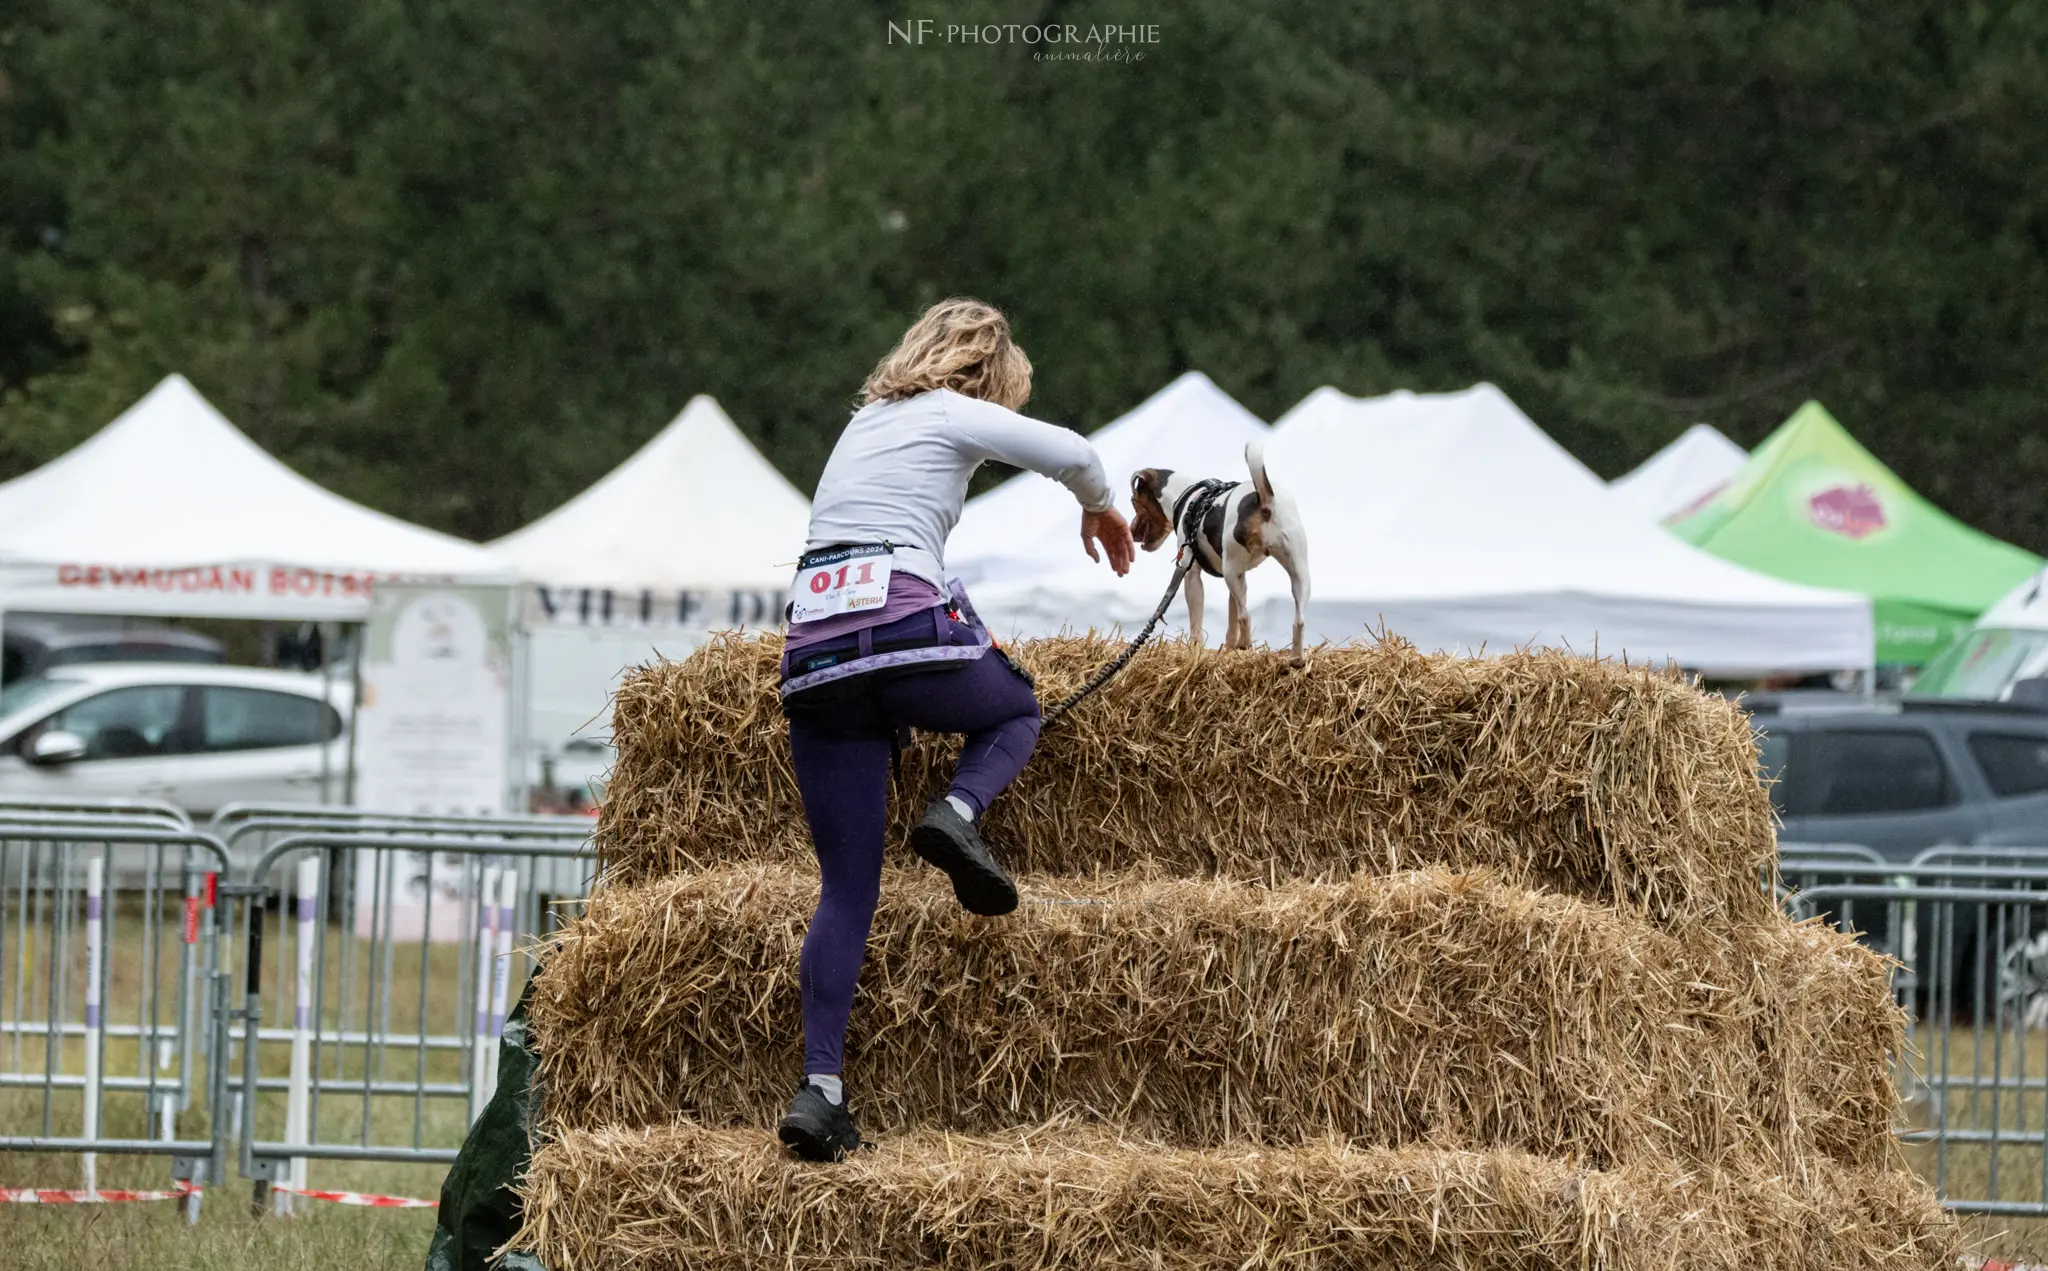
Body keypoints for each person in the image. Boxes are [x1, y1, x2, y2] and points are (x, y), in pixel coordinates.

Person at [773, 297, 1135, 1161]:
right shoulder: (952, 411)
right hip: (898, 629)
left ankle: (820, 1087)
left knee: (845, 891)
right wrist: (1100, 505)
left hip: (814, 655)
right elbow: (1076, 453)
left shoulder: (863, 424)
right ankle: (959, 812)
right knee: (1015, 705)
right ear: (989, 375)